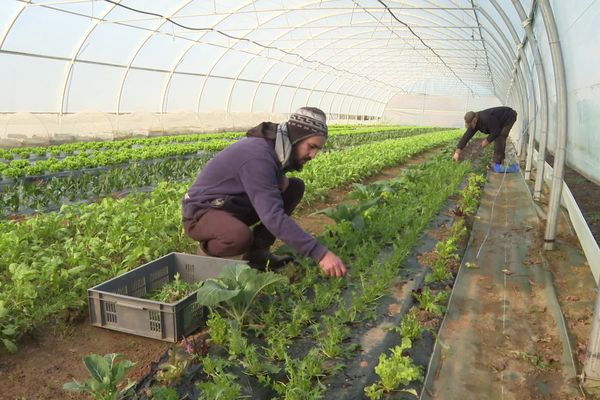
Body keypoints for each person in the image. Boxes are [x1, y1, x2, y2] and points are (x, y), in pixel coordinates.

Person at [182, 107, 347, 278]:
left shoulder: (275, 148)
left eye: (317, 149)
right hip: (202, 212)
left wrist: (278, 176)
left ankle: (257, 252)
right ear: (297, 137)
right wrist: (320, 253)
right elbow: (273, 216)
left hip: (230, 204)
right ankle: (207, 256)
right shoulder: (258, 156)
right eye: (311, 146)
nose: (313, 155)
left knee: (294, 188)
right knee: (238, 236)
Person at [452, 106, 519, 173]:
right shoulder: (473, 123)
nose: (470, 126)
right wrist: (457, 152)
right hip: (498, 122)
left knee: (500, 136)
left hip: (508, 116)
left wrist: (487, 140)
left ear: (474, 120)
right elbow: (466, 136)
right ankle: (500, 161)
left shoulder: (486, 118)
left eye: (470, 124)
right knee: (498, 136)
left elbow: (496, 131)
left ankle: (498, 165)